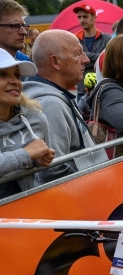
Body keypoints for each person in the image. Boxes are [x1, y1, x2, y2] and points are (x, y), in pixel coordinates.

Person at [22, 30, 107, 183]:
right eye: (77, 54)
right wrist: (94, 183)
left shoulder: (55, 94)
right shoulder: (49, 104)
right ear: (55, 62)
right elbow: (53, 170)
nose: (86, 59)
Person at [0, 50, 53, 197]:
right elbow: (25, 154)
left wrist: (37, 161)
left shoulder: (35, 117)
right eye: (3, 74)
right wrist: (26, 154)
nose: (15, 81)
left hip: (24, 211)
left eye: (17, 75)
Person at [74, 4, 112, 94]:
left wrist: (83, 55)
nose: (82, 20)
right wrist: (99, 58)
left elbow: (109, 59)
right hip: (83, 90)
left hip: (103, 88)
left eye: (85, 16)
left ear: (94, 17)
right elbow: (74, 63)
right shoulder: (74, 39)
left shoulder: (106, 38)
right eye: (79, 17)